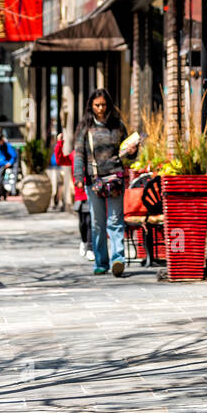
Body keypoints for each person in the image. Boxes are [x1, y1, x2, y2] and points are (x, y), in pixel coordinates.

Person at [73, 88, 138, 276]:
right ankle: (101, 262)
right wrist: (78, 177)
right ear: (91, 106)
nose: (100, 108)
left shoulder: (118, 125)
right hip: (94, 180)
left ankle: (118, 259)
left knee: (116, 221)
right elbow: (79, 154)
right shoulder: (85, 127)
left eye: (103, 104)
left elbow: (126, 156)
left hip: (115, 178)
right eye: (97, 105)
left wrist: (132, 152)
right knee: (98, 223)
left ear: (108, 105)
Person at [0, 130, 18, 201]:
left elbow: (14, 156)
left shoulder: (7, 146)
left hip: (3, 165)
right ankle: (3, 193)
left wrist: (9, 163)